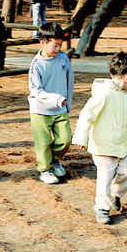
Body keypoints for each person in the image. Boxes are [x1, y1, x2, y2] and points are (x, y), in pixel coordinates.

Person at [72, 52, 127, 225]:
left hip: (122, 147)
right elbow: (87, 115)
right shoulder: (103, 94)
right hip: (103, 147)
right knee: (104, 178)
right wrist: (81, 138)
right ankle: (102, 209)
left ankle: (115, 195)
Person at [28, 22, 74, 185]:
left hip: (60, 108)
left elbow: (70, 81)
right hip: (40, 110)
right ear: (43, 42)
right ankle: (45, 170)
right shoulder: (36, 65)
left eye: (60, 45)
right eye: (55, 45)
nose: (58, 49)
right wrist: (55, 98)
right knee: (44, 142)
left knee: (66, 139)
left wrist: (68, 103)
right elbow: (35, 90)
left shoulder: (63, 59)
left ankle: (54, 160)